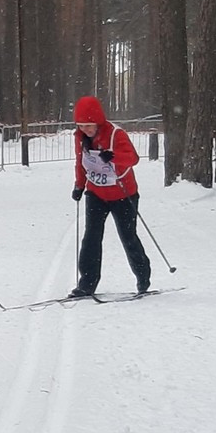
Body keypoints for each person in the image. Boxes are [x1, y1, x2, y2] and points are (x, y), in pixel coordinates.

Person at [69, 94, 151, 297]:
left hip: (124, 194)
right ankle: (86, 284)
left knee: (128, 236)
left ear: (98, 121)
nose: (85, 130)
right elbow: (82, 163)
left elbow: (133, 158)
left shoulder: (116, 134)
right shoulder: (80, 138)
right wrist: (79, 185)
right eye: (81, 125)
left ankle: (143, 277)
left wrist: (113, 157)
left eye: (89, 126)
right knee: (91, 238)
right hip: (96, 193)